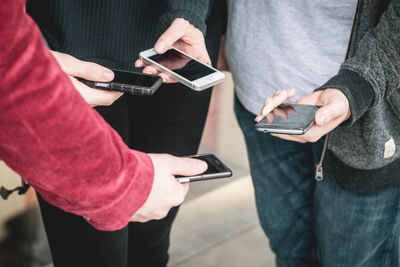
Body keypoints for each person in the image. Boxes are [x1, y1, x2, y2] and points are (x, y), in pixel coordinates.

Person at [26, 0, 226, 266]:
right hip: (66, 41)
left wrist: (189, 11)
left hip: (179, 47)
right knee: (88, 247)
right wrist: (27, 59)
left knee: (153, 235)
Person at [223, 0, 400, 266]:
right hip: (262, 95)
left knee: (354, 259)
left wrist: (358, 85)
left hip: (366, 107)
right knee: (290, 251)